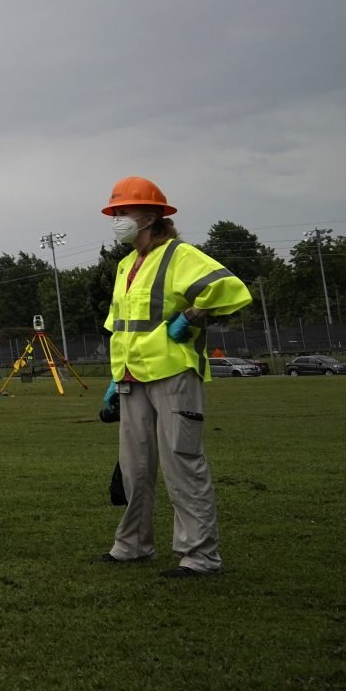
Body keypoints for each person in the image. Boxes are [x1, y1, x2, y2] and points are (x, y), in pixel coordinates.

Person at [97, 177, 250, 577]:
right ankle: (131, 545)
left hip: (174, 374)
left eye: (123, 211)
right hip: (132, 378)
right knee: (134, 468)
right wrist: (115, 380)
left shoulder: (180, 255)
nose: (117, 219)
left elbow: (231, 290)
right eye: (115, 212)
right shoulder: (126, 265)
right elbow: (119, 327)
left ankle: (199, 556)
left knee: (181, 463)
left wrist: (192, 316)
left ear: (150, 215)